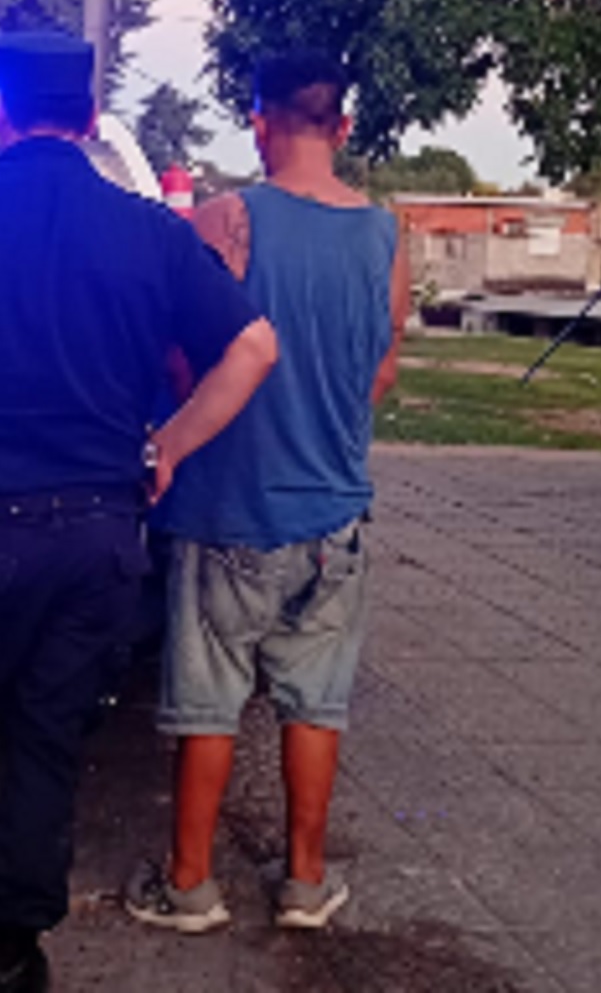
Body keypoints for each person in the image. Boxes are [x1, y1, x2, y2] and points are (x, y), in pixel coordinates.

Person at [0, 31, 278, 992]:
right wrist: (167, 448)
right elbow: (253, 348)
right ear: (89, 117)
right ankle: (14, 949)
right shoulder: (151, 232)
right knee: (47, 743)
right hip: (97, 541)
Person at [126, 51, 408, 934]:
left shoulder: (224, 221)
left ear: (258, 123)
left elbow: (179, 360)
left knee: (209, 703)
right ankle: (305, 883)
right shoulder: (386, 236)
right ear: (343, 126)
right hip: (334, 514)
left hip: (225, 507)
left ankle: (189, 885)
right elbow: (382, 369)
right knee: (315, 702)